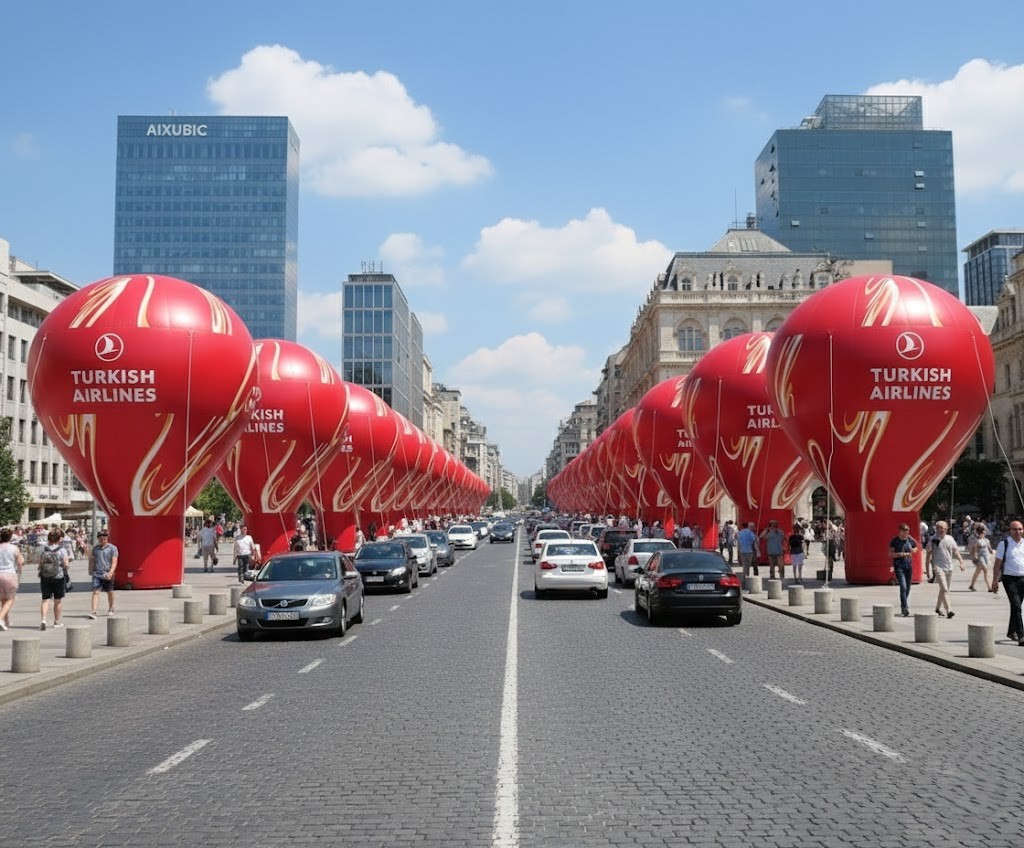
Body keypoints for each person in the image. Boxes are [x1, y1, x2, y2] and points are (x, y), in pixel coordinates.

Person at [991, 520, 1024, 644]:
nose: (1017, 532)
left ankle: (1011, 631)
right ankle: (1021, 635)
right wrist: (994, 580)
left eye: (1020, 529)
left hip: (1022, 578)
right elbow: (997, 564)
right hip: (1009, 579)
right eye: (1015, 529)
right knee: (1016, 606)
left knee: (1017, 607)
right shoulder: (1004, 544)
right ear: (1010, 531)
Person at [926, 520, 964, 618]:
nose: (941, 530)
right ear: (936, 529)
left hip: (949, 567)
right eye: (939, 528)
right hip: (938, 567)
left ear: (947, 529)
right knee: (945, 589)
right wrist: (928, 572)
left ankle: (938, 608)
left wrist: (961, 561)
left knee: (943, 590)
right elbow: (928, 553)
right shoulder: (933, 539)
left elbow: (955, 550)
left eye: (943, 528)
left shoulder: (950, 539)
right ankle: (949, 610)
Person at [38, 528, 70, 630]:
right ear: (59, 539)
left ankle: (43, 619)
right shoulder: (62, 550)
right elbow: (66, 564)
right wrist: (65, 566)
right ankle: (56, 622)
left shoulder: (43, 549)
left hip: (45, 577)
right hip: (58, 577)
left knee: (45, 599)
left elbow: (40, 563)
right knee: (58, 600)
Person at [888, 522, 918, 617]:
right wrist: (901, 554)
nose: (906, 532)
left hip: (908, 565)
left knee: (908, 587)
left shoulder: (910, 539)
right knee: (903, 587)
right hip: (899, 565)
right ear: (900, 531)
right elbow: (890, 554)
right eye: (904, 530)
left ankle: (903, 604)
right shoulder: (895, 541)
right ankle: (904, 607)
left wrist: (914, 550)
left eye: (907, 530)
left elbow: (916, 547)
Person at [87, 529, 118, 618]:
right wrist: (90, 569)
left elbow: (114, 561)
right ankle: (93, 611)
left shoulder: (112, 548)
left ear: (107, 538)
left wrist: (111, 572)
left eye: (104, 538)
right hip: (97, 573)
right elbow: (92, 559)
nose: (102, 540)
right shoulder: (95, 548)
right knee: (95, 592)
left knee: (110, 591)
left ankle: (111, 607)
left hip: (108, 572)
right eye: (100, 538)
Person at [0, 527, 25, 630]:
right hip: (9, 574)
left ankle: (6, 622)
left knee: (3, 599)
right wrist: (19, 571)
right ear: (10, 537)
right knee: (11, 599)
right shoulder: (14, 548)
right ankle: (0, 618)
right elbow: (20, 562)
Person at [967, 523, 993, 592]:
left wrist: (991, 551)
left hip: (986, 557)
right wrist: (975, 556)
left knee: (977, 572)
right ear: (980, 533)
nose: (984, 533)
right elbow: (974, 549)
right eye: (983, 532)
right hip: (980, 557)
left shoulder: (986, 540)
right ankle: (989, 587)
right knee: (985, 570)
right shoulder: (976, 540)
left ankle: (972, 585)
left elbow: (990, 549)